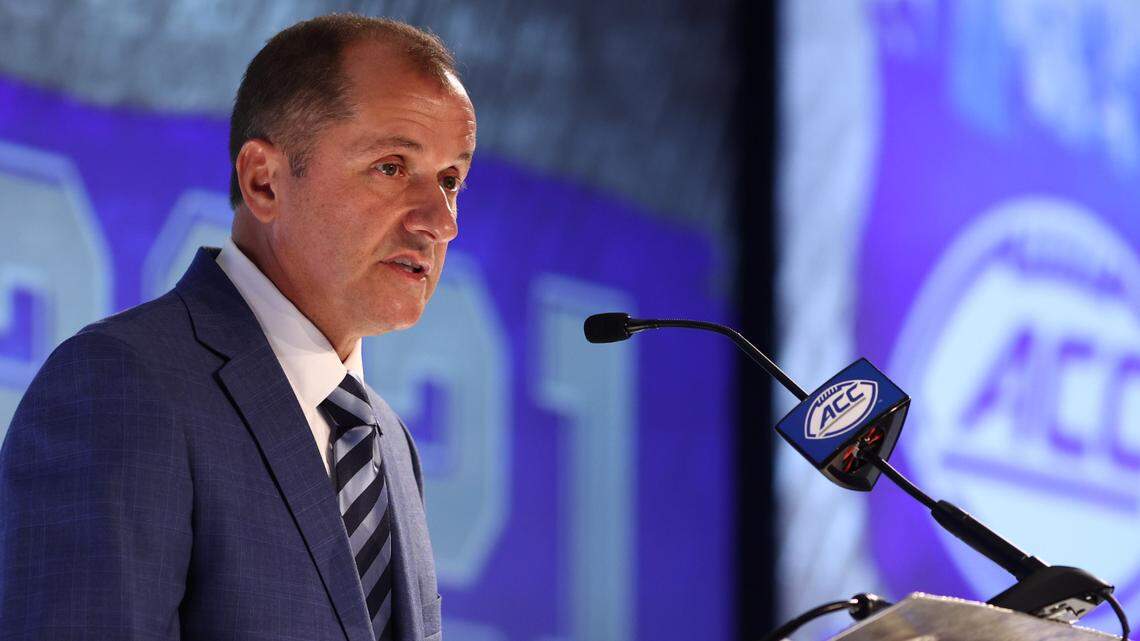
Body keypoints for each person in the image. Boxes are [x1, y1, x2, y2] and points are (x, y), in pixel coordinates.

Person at [0, 14, 475, 641]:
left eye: (450, 180)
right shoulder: (122, 385)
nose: (440, 221)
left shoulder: (389, 444)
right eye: (392, 166)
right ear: (264, 181)